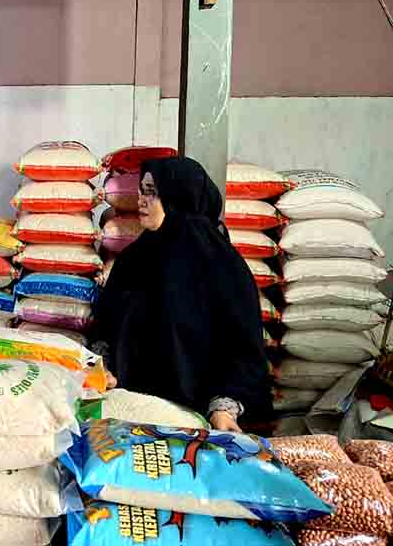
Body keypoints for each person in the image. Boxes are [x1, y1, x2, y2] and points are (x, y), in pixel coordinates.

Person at [88, 157, 272, 432]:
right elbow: (105, 326)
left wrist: (224, 408)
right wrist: (102, 368)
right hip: (129, 412)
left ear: (178, 197)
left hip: (199, 418)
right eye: (141, 190)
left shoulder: (221, 266)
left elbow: (243, 349)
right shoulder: (133, 261)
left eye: (152, 191)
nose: (141, 199)